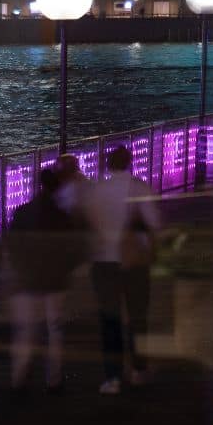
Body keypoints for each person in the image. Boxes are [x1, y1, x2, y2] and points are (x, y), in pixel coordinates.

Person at [68, 145, 162, 394]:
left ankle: (113, 377)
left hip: (103, 262)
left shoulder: (96, 192)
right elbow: (154, 226)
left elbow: (82, 221)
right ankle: (139, 370)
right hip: (134, 262)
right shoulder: (141, 189)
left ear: (108, 164)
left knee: (109, 319)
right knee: (138, 317)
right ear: (130, 162)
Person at [0, 163, 87, 391]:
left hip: (26, 281)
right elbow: (73, 250)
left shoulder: (22, 213)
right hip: (55, 283)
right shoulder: (62, 218)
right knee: (55, 332)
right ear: (57, 189)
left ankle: (19, 377)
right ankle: (53, 379)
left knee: (25, 332)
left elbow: (11, 246)